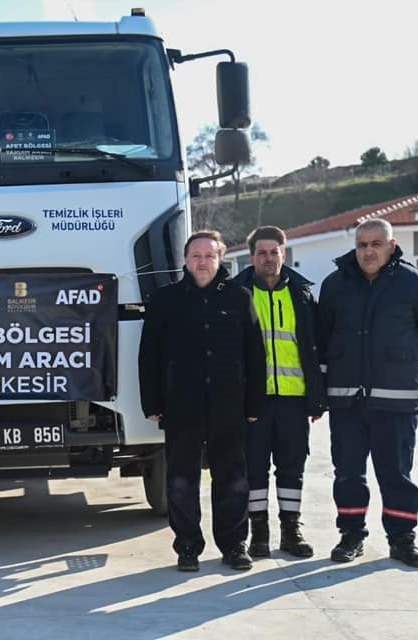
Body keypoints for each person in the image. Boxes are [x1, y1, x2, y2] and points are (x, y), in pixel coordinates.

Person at [318, 218, 418, 568]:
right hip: (346, 401)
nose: (368, 251)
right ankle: (351, 536)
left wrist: (411, 370)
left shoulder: (415, 284)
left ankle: (402, 540)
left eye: (376, 244)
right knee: (347, 473)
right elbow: (322, 337)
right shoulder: (335, 285)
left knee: (396, 475)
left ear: (391, 246)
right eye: (362, 245)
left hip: (396, 401)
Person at [138, 230, 266, 572]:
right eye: (196, 255)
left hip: (229, 406)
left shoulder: (239, 297)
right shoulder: (165, 300)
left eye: (209, 255)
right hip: (181, 405)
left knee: (233, 479)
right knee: (181, 480)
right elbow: (148, 355)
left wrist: (255, 404)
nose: (203, 262)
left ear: (220, 258)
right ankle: (187, 547)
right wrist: (152, 402)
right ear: (185, 260)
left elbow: (255, 354)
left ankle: (234, 545)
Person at [232, 226, 326, 559]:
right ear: (251, 256)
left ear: (284, 254)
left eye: (275, 252)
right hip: (252, 402)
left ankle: (291, 530)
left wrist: (317, 397)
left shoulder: (302, 295)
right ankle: (259, 533)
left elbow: (316, 349)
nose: (269, 258)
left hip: (294, 400)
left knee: (291, 468)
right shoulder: (237, 294)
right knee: (254, 469)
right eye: (262, 253)